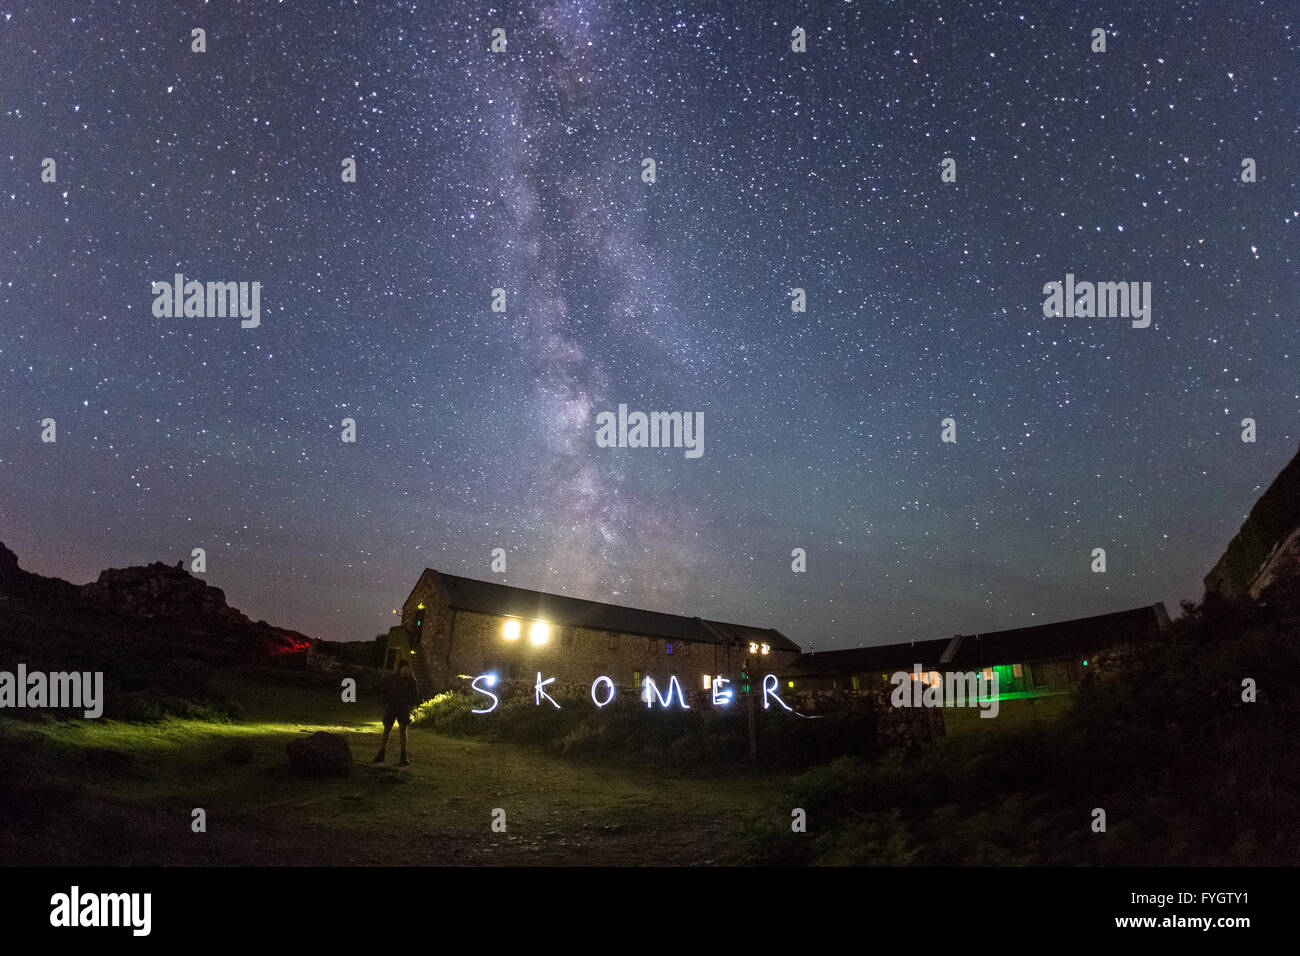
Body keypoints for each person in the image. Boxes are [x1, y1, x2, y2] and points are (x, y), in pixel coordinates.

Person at [375, 658, 419, 765]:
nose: (407, 671)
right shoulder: (391, 678)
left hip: (403, 707)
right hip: (391, 706)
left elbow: (415, 694)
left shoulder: (411, 680)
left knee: (403, 730)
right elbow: (384, 691)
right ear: (400, 669)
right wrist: (385, 703)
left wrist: (409, 702)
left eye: (408, 669)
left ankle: (403, 755)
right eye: (405, 669)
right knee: (387, 729)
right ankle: (381, 753)